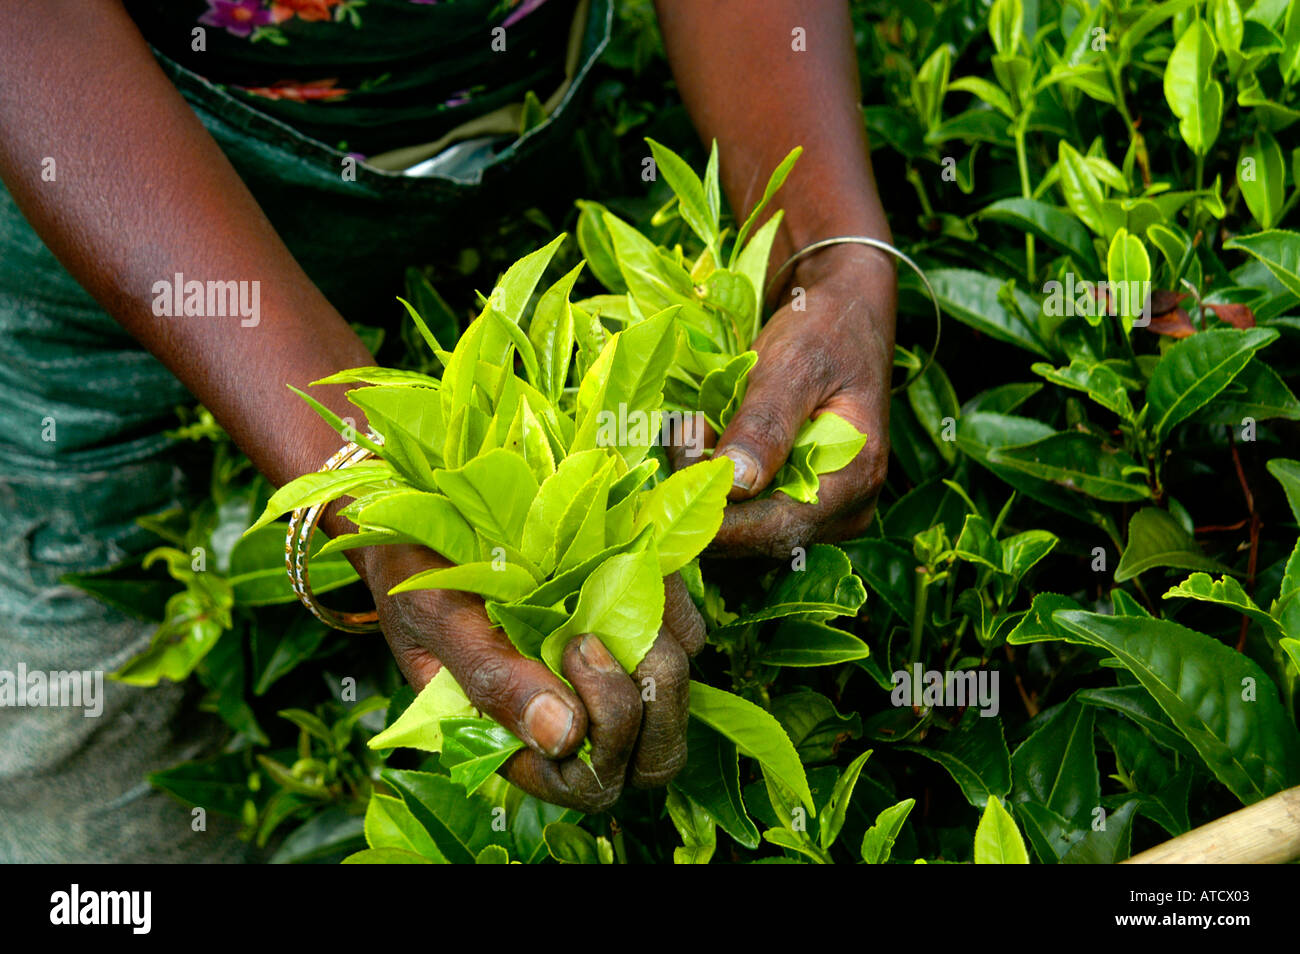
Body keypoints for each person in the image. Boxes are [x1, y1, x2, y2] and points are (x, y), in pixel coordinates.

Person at [0, 0, 896, 861]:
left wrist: (834, 254)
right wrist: (376, 491)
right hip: (109, 265)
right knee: (101, 803)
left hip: (511, 199)